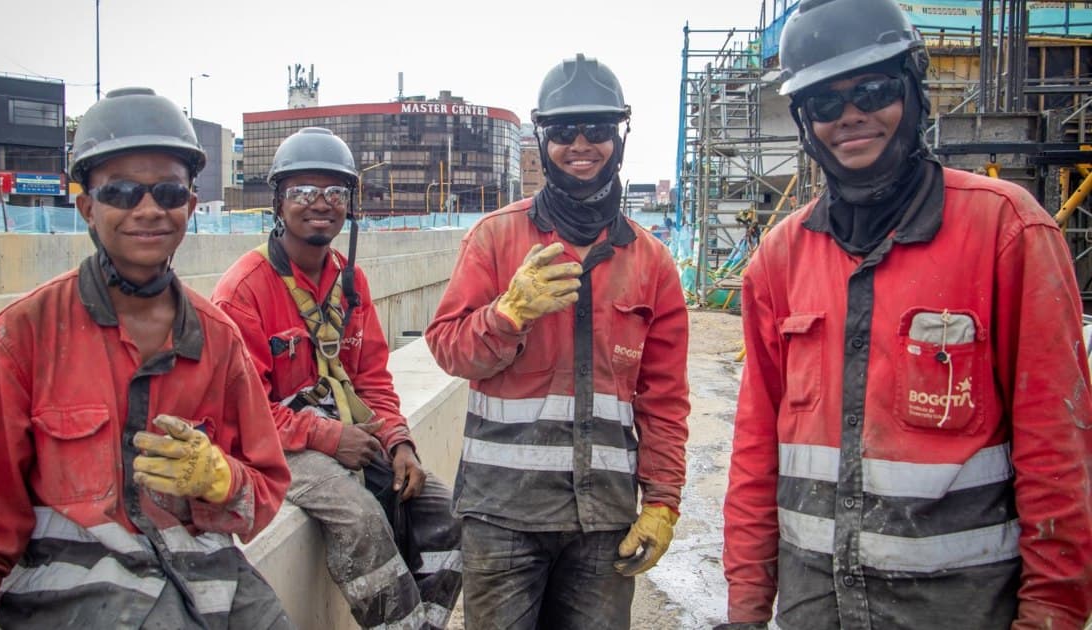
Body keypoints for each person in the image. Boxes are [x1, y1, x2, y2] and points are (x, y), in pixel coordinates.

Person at [718, 1, 1092, 628]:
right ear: (806, 122)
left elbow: (1057, 449)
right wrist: (746, 609)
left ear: (913, 89)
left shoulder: (1007, 231)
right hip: (817, 608)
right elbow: (756, 451)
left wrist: (1052, 612)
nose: (851, 117)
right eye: (824, 105)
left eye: (872, 88)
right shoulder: (780, 259)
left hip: (957, 608)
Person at [0, 87, 294, 630]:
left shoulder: (218, 340)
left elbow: (267, 492)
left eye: (167, 191)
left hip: (210, 584)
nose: (149, 209)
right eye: (122, 193)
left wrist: (219, 479)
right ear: (87, 206)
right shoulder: (26, 335)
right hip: (72, 596)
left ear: (189, 204)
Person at [424, 53, 691, 629]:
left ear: (618, 137)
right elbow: (448, 348)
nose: (581, 144)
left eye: (597, 130)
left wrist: (663, 502)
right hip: (502, 515)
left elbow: (663, 398)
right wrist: (508, 314)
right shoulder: (495, 239)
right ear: (543, 138)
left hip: (603, 521)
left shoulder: (651, 261)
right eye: (564, 131)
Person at [211, 127, 461, 630]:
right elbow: (246, 410)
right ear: (279, 203)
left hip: (342, 433)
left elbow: (371, 378)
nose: (319, 204)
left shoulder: (351, 283)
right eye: (303, 192)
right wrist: (328, 437)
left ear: (351, 204)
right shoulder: (243, 292)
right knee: (361, 519)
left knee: (444, 514)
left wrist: (399, 442)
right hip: (277, 445)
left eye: (334, 193)